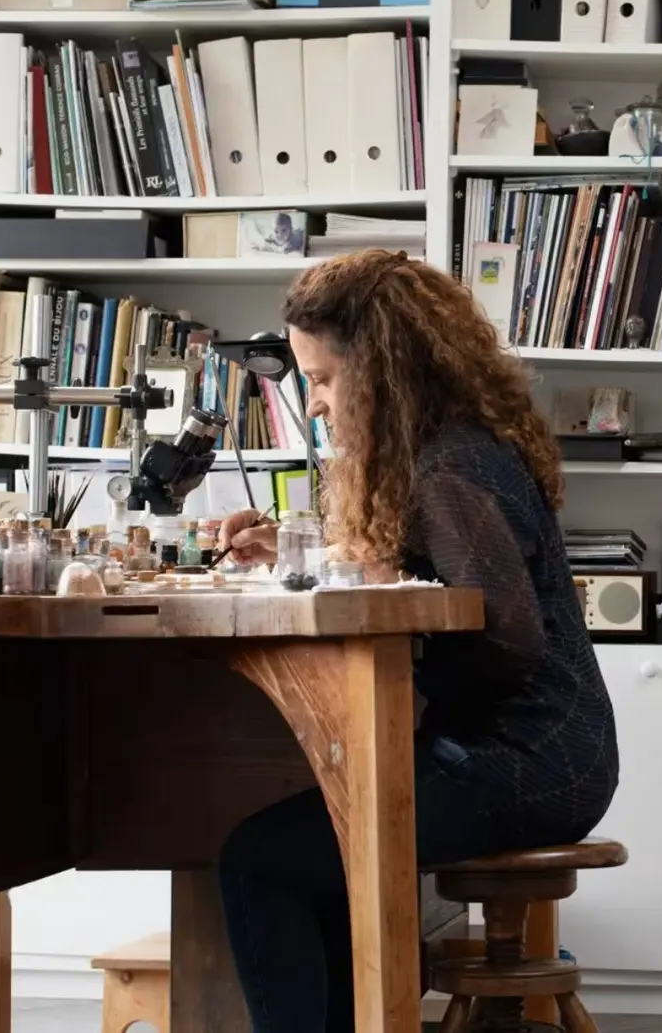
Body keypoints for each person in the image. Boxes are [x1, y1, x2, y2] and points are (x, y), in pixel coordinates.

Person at [215, 249, 619, 1033]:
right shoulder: (451, 448)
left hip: (525, 761)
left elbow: (508, 643)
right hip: (550, 751)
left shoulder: (451, 467)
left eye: (326, 379)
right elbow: (437, 582)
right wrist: (317, 558)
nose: (318, 404)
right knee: (309, 859)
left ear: (383, 368)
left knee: (260, 862)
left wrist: (391, 614)